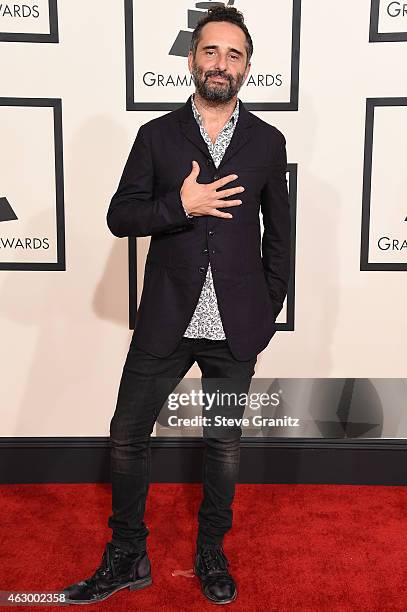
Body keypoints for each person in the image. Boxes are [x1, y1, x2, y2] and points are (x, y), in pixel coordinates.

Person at [62, 4, 291, 606]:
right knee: (127, 434)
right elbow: (121, 217)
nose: (222, 63)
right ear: (192, 59)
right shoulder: (157, 137)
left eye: (234, 54)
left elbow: (281, 238)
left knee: (223, 445)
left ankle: (211, 549)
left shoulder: (268, 142)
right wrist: (178, 206)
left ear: (248, 68)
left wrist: (267, 309)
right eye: (211, 51)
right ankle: (127, 555)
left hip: (235, 325)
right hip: (166, 315)